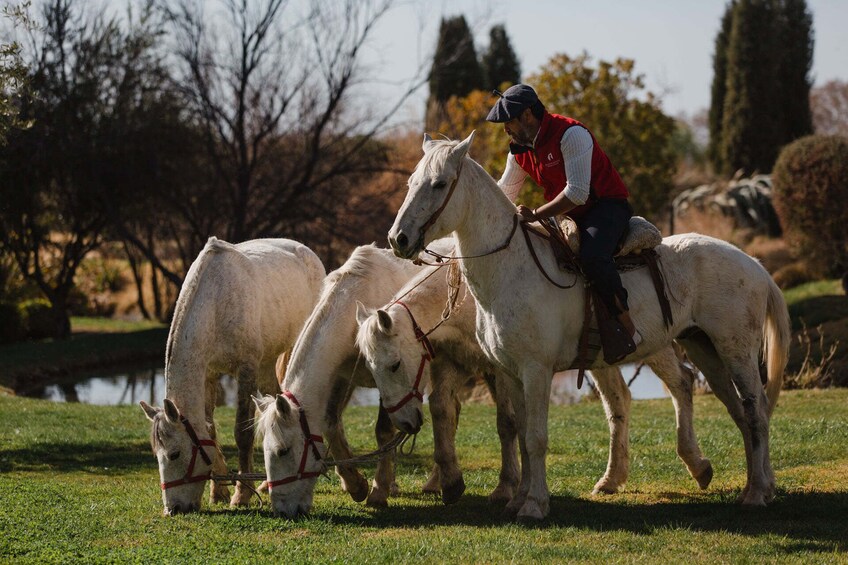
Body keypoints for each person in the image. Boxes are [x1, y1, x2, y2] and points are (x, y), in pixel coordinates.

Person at [486, 83, 641, 359]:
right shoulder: (519, 150)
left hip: (606, 206)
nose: (505, 129)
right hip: (568, 215)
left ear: (528, 116)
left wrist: (536, 215)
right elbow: (504, 194)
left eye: (508, 122)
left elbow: (578, 193)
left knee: (593, 256)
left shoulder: (571, 134)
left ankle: (627, 326)